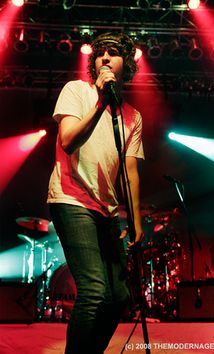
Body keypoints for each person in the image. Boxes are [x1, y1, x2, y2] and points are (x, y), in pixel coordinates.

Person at [47, 31, 145, 354]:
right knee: (94, 292)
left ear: (126, 65)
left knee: (119, 297)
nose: (105, 57)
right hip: (71, 198)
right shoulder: (77, 91)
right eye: (100, 52)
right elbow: (68, 139)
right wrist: (102, 103)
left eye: (113, 53)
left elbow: (130, 173)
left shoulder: (133, 117)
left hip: (107, 210)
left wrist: (136, 221)